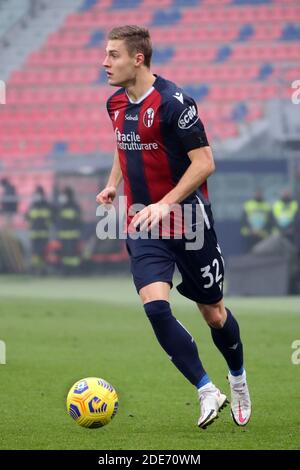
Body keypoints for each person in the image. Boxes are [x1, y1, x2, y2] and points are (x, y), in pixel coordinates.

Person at [96, 25, 251, 429]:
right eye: (106, 54)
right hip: (143, 223)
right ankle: (206, 389)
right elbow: (121, 142)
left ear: (138, 58)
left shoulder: (174, 103)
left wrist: (167, 204)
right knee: (155, 306)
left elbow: (204, 163)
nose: (105, 62)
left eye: (113, 55)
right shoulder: (115, 103)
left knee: (214, 314)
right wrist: (113, 185)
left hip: (189, 222)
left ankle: (236, 379)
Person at [26, 185, 52, 274]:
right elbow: (27, 217)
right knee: (34, 253)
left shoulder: (47, 206)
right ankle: (35, 270)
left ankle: (42, 270)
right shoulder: (32, 205)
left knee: (42, 253)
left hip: (43, 234)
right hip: (34, 234)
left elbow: (51, 219)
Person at [56, 186, 82, 274]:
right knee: (65, 255)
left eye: (64, 195)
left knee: (73, 254)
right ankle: (65, 271)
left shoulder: (74, 207)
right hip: (63, 236)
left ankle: (75, 270)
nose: (62, 197)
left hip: (72, 236)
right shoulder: (61, 207)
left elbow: (78, 222)